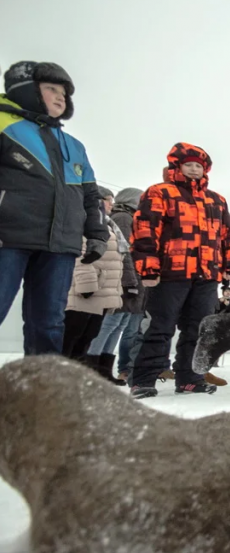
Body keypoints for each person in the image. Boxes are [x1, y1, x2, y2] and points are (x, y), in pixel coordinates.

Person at [0, 61, 109, 355]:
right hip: (8, 237)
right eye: (51, 89)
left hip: (60, 244)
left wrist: (98, 234)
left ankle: (43, 391)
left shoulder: (74, 145)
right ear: (27, 89)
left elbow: (90, 195)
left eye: (64, 93)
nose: (60, 97)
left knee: (49, 323)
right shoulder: (4, 125)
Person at [128, 143, 230, 399]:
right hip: (170, 273)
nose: (193, 170)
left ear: (205, 170)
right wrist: (147, 267)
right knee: (160, 327)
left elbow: (227, 235)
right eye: (188, 165)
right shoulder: (159, 193)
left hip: (206, 275)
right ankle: (143, 379)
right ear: (176, 167)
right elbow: (145, 230)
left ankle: (190, 378)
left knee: (198, 330)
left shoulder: (216, 200)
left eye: (198, 166)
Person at [62, 186, 128, 379]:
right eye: (108, 200)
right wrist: (87, 284)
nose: (112, 204)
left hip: (100, 293)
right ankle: (62, 379)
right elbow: (81, 254)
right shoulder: (84, 221)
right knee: (71, 338)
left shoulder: (107, 224)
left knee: (87, 338)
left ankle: (77, 380)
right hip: (84, 292)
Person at [82, 187, 140, 385]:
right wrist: (130, 280)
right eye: (108, 200)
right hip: (117, 278)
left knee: (119, 324)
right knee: (110, 324)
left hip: (125, 277)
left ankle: (103, 369)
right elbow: (125, 251)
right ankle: (92, 368)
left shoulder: (121, 218)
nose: (111, 204)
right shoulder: (123, 218)